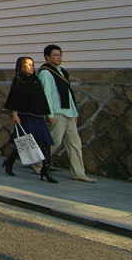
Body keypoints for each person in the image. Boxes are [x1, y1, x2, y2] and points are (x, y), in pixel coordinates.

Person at [38, 44, 97, 183]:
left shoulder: (62, 72)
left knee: (74, 142)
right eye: (55, 55)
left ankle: (78, 172)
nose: (59, 57)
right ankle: (37, 161)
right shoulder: (45, 73)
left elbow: (69, 94)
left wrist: (74, 112)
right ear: (47, 57)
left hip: (68, 112)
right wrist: (49, 114)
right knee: (55, 140)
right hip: (57, 111)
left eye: (60, 55)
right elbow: (46, 95)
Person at [2, 56, 56, 183]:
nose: (32, 67)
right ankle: (9, 161)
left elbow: (41, 99)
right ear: (22, 66)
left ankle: (46, 169)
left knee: (45, 141)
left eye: (32, 64)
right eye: (28, 64)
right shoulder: (19, 80)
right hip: (25, 115)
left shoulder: (35, 80)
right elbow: (14, 98)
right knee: (26, 143)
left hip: (37, 115)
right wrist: (14, 114)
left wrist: (47, 115)